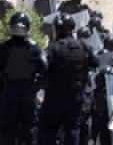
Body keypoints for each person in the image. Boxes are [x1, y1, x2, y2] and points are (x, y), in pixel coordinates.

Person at [40, 17, 98, 145]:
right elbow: (95, 63)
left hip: (54, 98)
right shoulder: (83, 46)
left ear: (59, 29)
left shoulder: (53, 48)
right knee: (72, 130)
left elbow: (42, 67)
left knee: (48, 130)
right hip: (76, 98)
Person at [0, 12, 47, 145]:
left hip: (9, 95)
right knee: (29, 130)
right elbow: (45, 68)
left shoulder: (4, 47)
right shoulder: (34, 48)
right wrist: (35, 86)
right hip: (27, 94)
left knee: (8, 131)